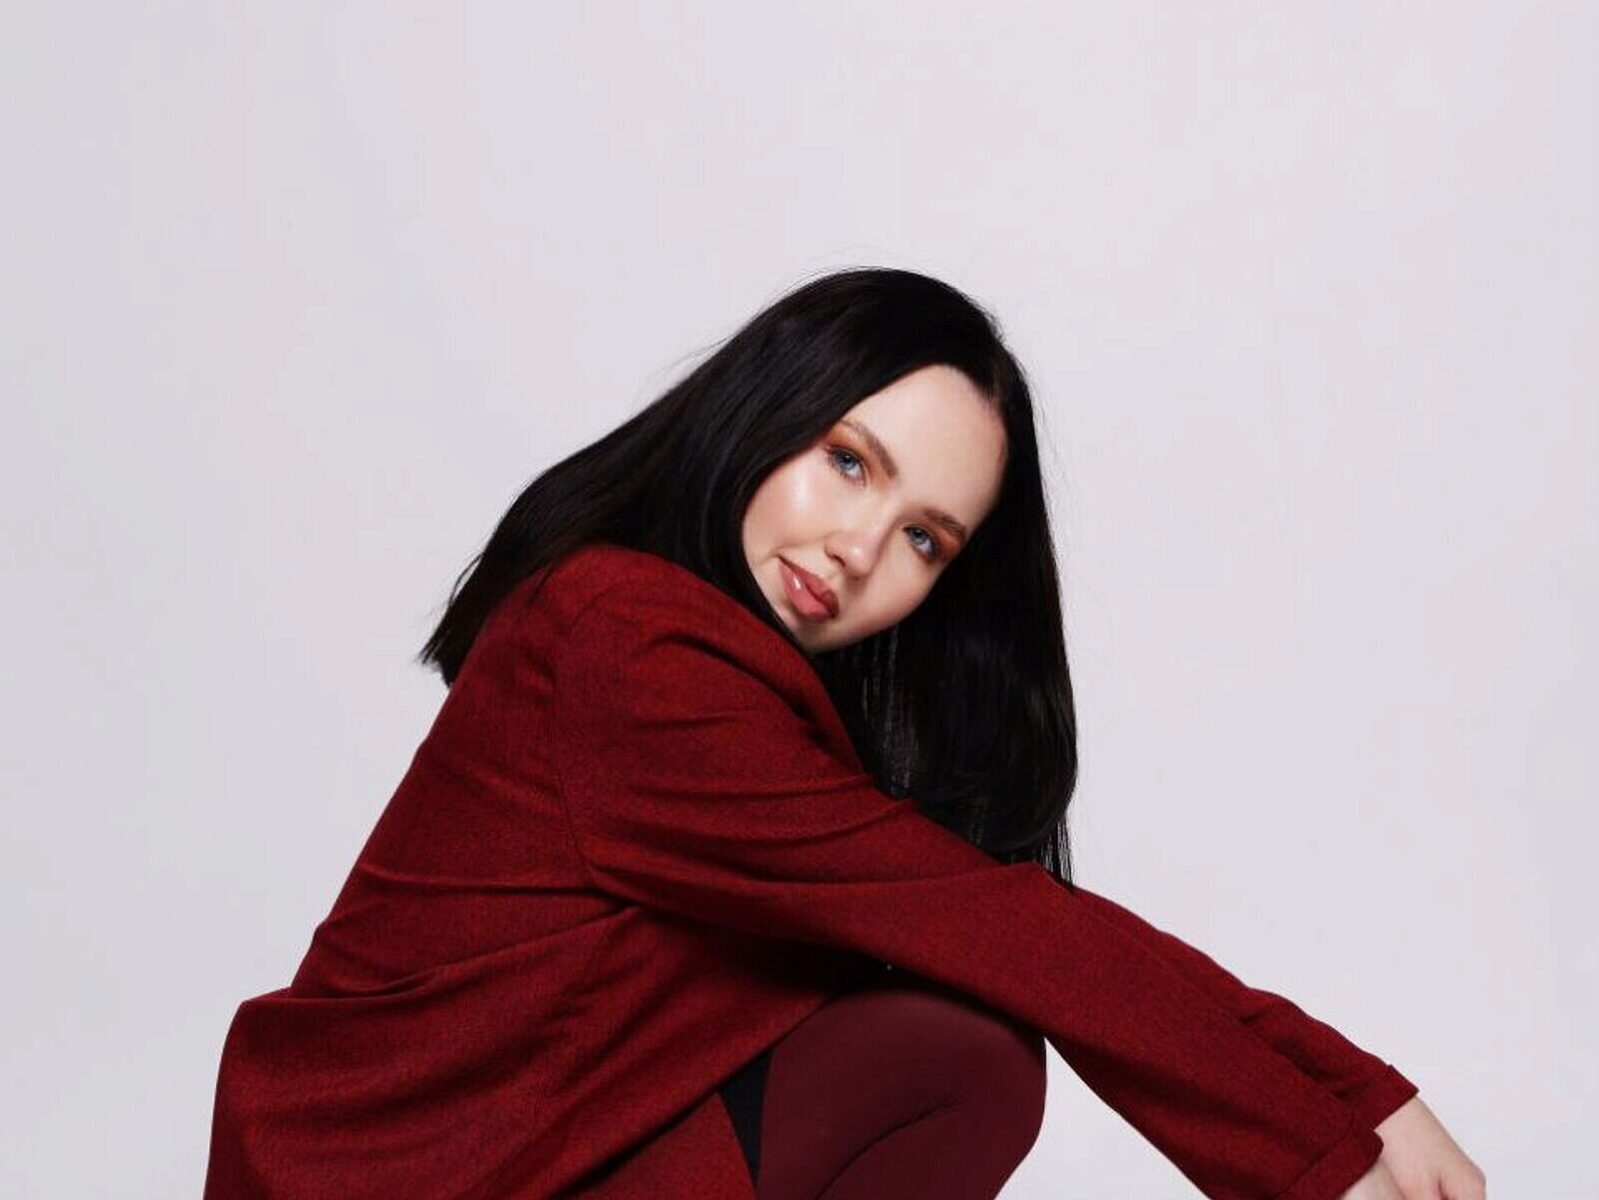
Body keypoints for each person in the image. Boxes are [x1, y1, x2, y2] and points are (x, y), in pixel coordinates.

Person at [202, 268, 1485, 1200]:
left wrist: (1342, 1103)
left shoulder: (743, 686)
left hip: (536, 1153)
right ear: (767, 410)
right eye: (851, 462)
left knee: (951, 1044)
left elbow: (982, 914)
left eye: (924, 537)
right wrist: (1329, 1125)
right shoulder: (622, 641)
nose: (861, 550)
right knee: (955, 1043)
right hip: (385, 1178)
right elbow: (994, 924)